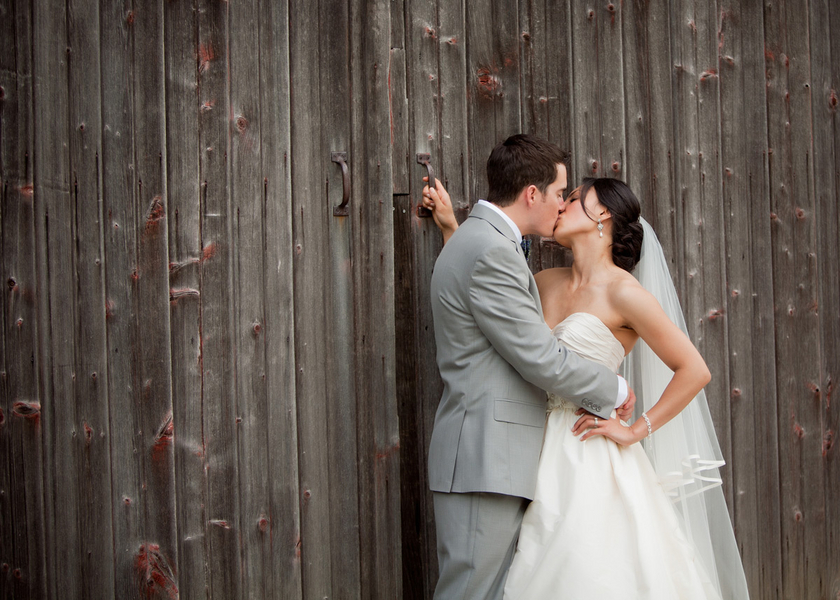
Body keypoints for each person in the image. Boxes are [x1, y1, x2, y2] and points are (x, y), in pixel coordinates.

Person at [423, 173, 750, 599]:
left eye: (574, 198)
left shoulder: (625, 293)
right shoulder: (542, 280)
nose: (561, 205)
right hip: (526, 450)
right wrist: (453, 228)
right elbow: (489, 300)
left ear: (603, 215)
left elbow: (694, 370)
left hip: (587, 452)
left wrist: (636, 430)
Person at [425, 135, 636, 600]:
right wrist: (615, 390)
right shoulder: (491, 251)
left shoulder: (482, 241)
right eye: (560, 193)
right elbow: (539, 357)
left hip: (492, 457)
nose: (563, 205)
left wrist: (449, 225)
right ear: (532, 193)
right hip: (485, 456)